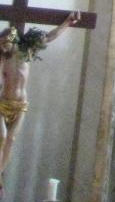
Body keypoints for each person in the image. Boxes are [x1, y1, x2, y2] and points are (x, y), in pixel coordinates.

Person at [0, 13, 80, 190]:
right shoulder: (3, 58)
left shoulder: (27, 52)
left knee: (11, 138)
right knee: (2, 136)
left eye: (6, 42)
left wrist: (67, 22)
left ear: (14, 40)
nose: (4, 46)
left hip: (20, 105)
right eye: (2, 43)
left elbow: (49, 37)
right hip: (2, 104)